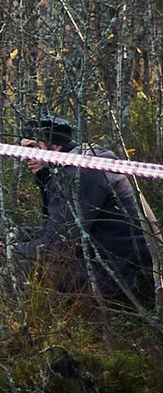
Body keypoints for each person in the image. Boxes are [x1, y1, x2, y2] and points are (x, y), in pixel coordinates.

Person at [12, 114, 159, 307]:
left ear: (54, 146)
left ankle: (39, 327)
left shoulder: (78, 176)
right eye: (22, 149)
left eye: (31, 147)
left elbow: (57, 246)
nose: (24, 156)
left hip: (128, 275)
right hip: (140, 266)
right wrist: (19, 234)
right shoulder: (88, 159)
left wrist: (13, 249)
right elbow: (62, 229)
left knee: (19, 262)